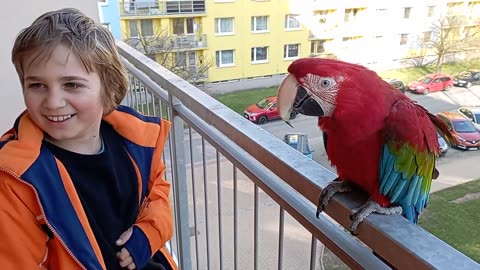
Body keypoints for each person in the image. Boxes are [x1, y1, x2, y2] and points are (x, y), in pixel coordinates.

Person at [0, 8, 177, 270]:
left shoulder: (135, 140)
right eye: (37, 85)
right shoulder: (16, 179)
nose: (53, 102)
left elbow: (158, 192)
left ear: (109, 88)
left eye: (72, 84)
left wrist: (148, 234)